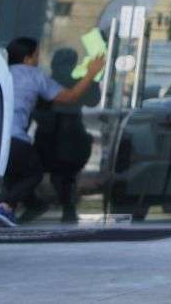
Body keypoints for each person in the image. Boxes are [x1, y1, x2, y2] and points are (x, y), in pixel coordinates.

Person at [0, 37, 103, 227]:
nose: (39, 60)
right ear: (27, 58)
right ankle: (5, 206)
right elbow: (70, 96)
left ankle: (32, 205)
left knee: (14, 172)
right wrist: (91, 74)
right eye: (36, 56)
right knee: (33, 174)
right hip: (16, 137)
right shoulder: (35, 75)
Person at [32, 47, 98, 223]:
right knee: (35, 172)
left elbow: (93, 100)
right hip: (51, 135)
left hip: (69, 136)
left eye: (67, 63)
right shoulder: (45, 83)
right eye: (61, 63)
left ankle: (67, 209)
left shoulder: (75, 83)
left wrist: (92, 77)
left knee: (64, 176)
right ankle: (32, 205)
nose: (63, 67)